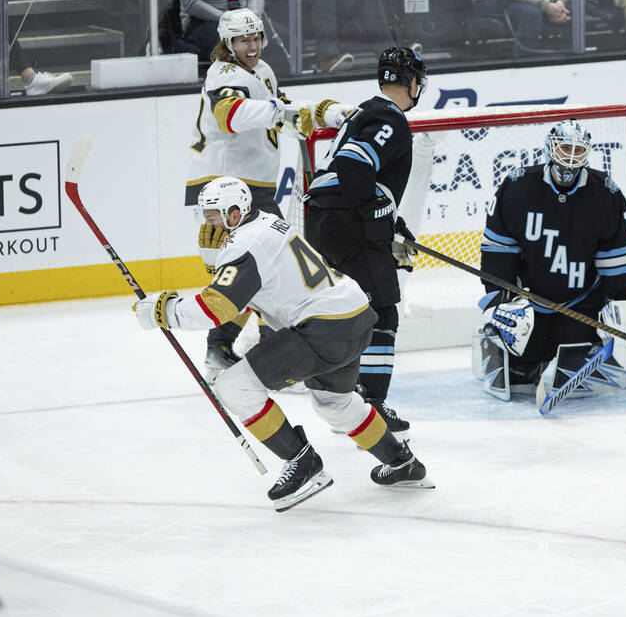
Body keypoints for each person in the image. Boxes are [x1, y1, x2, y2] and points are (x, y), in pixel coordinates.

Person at [134, 178, 433, 511]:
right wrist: (217, 266)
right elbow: (244, 295)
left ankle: (303, 463)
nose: (208, 225)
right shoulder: (267, 223)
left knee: (234, 387)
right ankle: (403, 463)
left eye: (213, 217)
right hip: (354, 316)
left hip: (324, 328)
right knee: (334, 404)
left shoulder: (245, 243)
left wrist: (164, 309)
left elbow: (215, 308)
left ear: (235, 213)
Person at [185, 7, 352, 380]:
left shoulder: (261, 72)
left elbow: (283, 109)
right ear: (228, 43)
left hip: (251, 189)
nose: (253, 45)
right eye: (244, 40)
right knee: (259, 271)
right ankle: (231, 348)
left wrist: (326, 111)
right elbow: (233, 115)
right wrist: (282, 112)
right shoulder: (222, 73)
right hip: (224, 189)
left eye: (257, 37)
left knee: (270, 272)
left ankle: (250, 348)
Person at [474, 120, 626, 400]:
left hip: (581, 307)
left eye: (577, 151)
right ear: (549, 149)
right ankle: (512, 351)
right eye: (565, 148)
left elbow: (621, 267)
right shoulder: (517, 188)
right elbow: (497, 257)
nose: (570, 157)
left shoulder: (605, 194)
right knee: (519, 371)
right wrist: (501, 305)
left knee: (576, 354)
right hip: (528, 305)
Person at [304, 47, 427, 439]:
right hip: (346, 218)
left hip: (325, 220)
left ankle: (344, 397)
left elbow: (357, 176)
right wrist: (371, 211)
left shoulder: (363, 111)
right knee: (383, 312)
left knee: (351, 308)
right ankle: (368, 406)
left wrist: (392, 221)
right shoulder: (390, 116)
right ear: (411, 82)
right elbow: (355, 163)